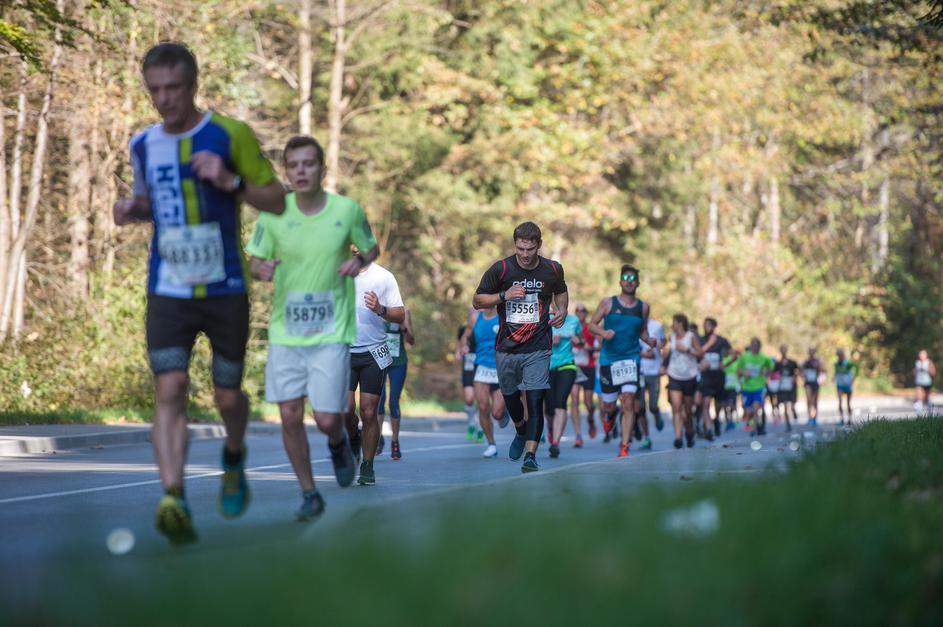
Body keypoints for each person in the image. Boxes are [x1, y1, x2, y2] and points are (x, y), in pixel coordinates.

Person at [114, 43, 286, 545]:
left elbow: (276, 200)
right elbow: (152, 203)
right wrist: (132, 210)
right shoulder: (143, 144)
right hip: (167, 288)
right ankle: (174, 496)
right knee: (169, 388)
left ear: (192, 86)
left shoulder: (229, 134)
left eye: (173, 88)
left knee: (227, 394)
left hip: (224, 287)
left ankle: (234, 453)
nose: (164, 99)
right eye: (155, 90)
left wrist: (231, 180)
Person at [247, 135, 372, 520]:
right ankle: (309, 492)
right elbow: (254, 260)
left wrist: (359, 260)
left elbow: (370, 247)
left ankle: (338, 442)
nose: (301, 171)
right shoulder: (272, 215)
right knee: (288, 414)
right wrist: (260, 269)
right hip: (286, 332)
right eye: (294, 165)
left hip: (330, 332)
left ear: (321, 168)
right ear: (287, 171)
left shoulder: (346, 210)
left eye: (308, 163)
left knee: (327, 418)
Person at [473, 221, 568, 473]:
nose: (525, 254)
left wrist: (563, 309)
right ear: (515, 245)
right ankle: (520, 429)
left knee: (535, 401)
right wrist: (504, 295)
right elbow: (477, 301)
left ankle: (531, 456)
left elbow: (561, 290)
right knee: (511, 399)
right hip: (507, 347)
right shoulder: (501, 269)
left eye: (530, 249)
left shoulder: (552, 269)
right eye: (520, 249)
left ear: (539, 245)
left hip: (538, 345)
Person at [346, 258, 405, 485]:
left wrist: (380, 309)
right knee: (344, 411)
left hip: (374, 351)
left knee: (369, 412)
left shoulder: (384, 277)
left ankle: (367, 465)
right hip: (344, 351)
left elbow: (400, 314)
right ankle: (354, 436)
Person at [588, 265, 656, 458]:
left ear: (638, 283)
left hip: (631, 360)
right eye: (626, 278)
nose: (629, 281)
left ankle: (624, 445)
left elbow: (642, 331)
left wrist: (649, 340)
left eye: (633, 278)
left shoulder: (643, 307)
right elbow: (591, 325)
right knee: (607, 406)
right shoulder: (608, 303)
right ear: (620, 282)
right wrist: (603, 333)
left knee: (628, 401)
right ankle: (610, 415)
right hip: (609, 361)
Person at [460, 305, 508, 458]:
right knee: (482, 406)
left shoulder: (503, 317)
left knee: (497, 413)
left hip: (500, 367)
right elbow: (465, 337)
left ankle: (504, 412)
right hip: (481, 367)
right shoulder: (475, 318)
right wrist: (464, 346)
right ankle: (491, 444)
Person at [378, 308, 415, 460]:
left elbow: (411, 341)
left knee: (393, 401)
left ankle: (395, 441)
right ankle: (377, 437)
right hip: (380, 360)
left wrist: (404, 328)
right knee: (379, 400)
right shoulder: (375, 309)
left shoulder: (404, 312)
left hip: (398, 363)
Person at [661, 314, 702, 449]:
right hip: (674, 375)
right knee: (676, 407)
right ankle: (678, 437)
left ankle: (690, 433)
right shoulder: (671, 337)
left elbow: (700, 353)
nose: (672, 325)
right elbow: (668, 353)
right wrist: (664, 362)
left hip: (689, 376)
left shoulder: (691, 336)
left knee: (688, 411)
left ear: (680, 323)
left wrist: (687, 350)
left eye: (674, 322)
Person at [547, 308, 583, 458]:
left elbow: (582, 341)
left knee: (560, 403)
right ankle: (551, 429)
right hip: (547, 368)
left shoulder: (574, 321)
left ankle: (555, 443)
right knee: (549, 409)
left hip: (567, 366)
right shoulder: (544, 318)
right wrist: (550, 341)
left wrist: (578, 341)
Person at [697, 317, 730, 441]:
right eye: (705, 325)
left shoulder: (722, 341)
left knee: (719, 404)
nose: (706, 327)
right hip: (706, 377)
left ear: (714, 327)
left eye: (709, 325)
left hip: (719, 377)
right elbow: (697, 353)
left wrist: (726, 364)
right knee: (705, 403)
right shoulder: (700, 340)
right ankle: (709, 429)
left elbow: (734, 354)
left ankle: (716, 420)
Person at [571, 303, 598, 445]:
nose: (580, 313)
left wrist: (588, 347)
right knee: (574, 399)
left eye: (582, 311)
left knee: (588, 402)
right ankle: (578, 435)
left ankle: (591, 419)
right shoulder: (570, 326)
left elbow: (599, 346)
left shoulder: (590, 328)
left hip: (588, 367)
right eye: (577, 310)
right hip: (574, 367)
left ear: (586, 313)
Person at [736, 338, 775, 436]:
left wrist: (766, 372)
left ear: (759, 347)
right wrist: (744, 373)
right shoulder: (744, 357)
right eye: (753, 345)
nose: (755, 348)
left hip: (759, 387)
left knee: (756, 408)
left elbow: (772, 367)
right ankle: (753, 423)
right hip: (746, 387)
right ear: (750, 346)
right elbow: (738, 371)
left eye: (757, 346)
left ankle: (754, 429)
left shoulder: (764, 358)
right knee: (748, 411)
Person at [640, 317, 667, 433]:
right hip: (639, 372)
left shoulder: (657, 325)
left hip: (654, 372)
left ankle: (656, 413)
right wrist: (643, 354)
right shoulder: (633, 323)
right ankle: (646, 436)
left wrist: (663, 364)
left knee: (653, 406)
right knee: (640, 408)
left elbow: (663, 343)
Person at [455, 320, 480, 441]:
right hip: (468, 369)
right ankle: (471, 424)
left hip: (482, 368)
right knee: (469, 399)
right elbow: (458, 345)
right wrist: (459, 351)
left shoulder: (484, 327)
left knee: (481, 400)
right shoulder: (463, 329)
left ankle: (480, 427)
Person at [774, 345, 799, 432]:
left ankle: (793, 409)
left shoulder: (792, 362)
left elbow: (798, 371)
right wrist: (778, 378)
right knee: (785, 405)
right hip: (783, 386)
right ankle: (788, 423)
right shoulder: (778, 364)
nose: (783, 352)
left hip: (791, 386)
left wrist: (794, 378)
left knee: (792, 403)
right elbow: (774, 373)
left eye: (784, 350)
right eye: (782, 350)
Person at [834, 348, 859, 425]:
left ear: (843, 355)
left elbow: (857, 367)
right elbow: (836, 373)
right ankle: (842, 419)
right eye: (838, 355)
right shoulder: (836, 364)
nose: (839, 357)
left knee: (848, 403)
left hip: (848, 385)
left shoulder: (848, 363)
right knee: (840, 401)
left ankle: (849, 419)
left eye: (840, 355)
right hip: (840, 385)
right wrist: (834, 378)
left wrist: (853, 379)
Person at [801, 346, 824, 426]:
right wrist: (803, 376)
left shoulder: (818, 362)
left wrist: (821, 379)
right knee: (809, 400)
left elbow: (822, 371)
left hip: (815, 383)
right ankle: (809, 417)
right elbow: (801, 371)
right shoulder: (806, 362)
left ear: (815, 352)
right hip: (808, 383)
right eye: (810, 351)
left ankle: (815, 418)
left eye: (813, 351)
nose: (811, 352)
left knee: (815, 401)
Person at [720, 346, 741, 429]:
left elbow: (739, 372)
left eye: (734, 353)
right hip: (725, 386)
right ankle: (727, 420)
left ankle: (732, 418)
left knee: (731, 403)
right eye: (731, 353)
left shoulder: (738, 362)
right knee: (725, 404)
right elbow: (722, 368)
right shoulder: (725, 360)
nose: (733, 354)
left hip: (733, 386)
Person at [914, 349, 936, 414]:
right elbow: (914, 372)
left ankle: (930, 412)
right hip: (919, 382)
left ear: (926, 355)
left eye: (923, 354)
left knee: (927, 398)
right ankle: (919, 413)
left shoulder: (929, 362)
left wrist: (927, 370)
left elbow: (933, 372)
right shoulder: (917, 363)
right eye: (920, 354)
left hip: (927, 383)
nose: (921, 356)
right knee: (919, 397)